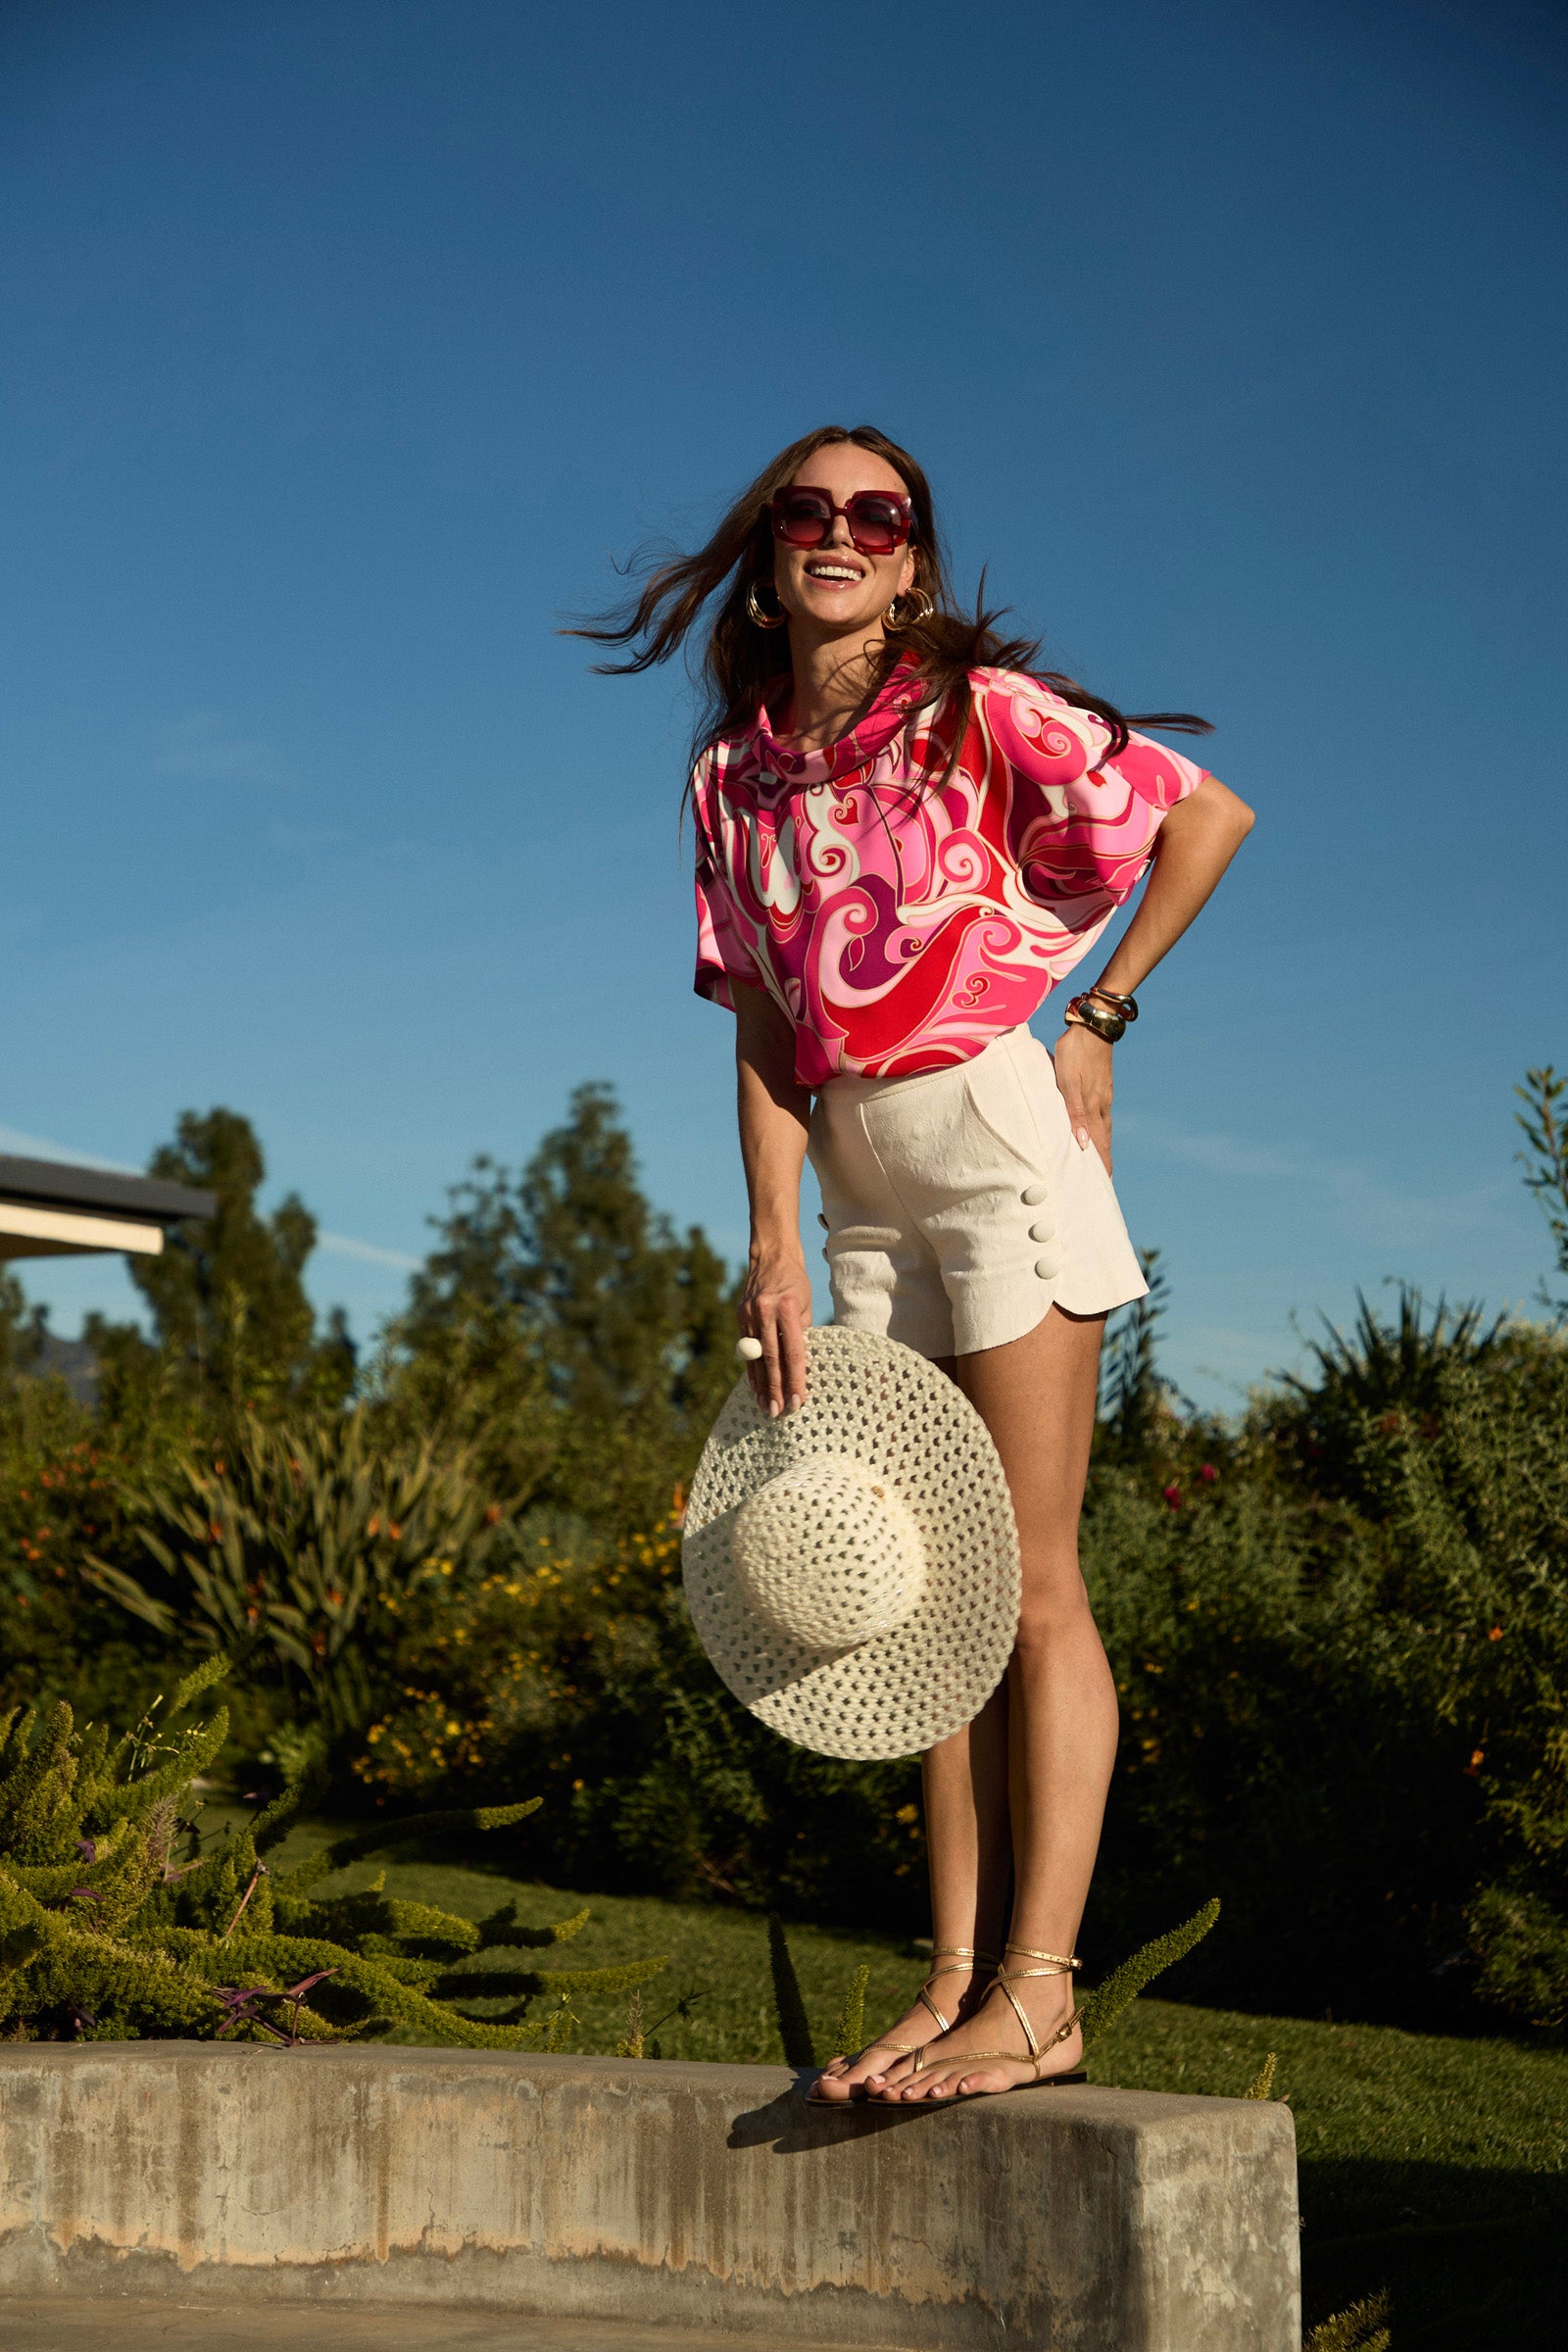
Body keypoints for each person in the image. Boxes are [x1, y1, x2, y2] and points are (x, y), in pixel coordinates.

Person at [576, 425, 1253, 2103]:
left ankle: (1041, 1988)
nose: (840, 533)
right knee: (926, 1607)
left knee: (1031, 1592)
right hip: (863, 1203)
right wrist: (771, 1243)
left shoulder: (970, 710)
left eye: (876, 515)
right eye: (807, 510)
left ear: (912, 561)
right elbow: (757, 1020)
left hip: (997, 1152)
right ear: (767, 554)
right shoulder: (732, 776)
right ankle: (952, 1980)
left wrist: (1099, 1015)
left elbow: (1205, 816)